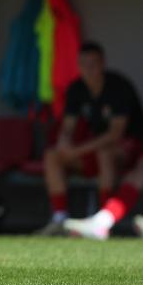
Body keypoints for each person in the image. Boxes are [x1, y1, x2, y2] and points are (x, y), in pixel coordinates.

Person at [37, 42, 143, 235]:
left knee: (106, 153)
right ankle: (60, 218)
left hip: (125, 150)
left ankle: (102, 222)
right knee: (53, 155)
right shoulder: (76, 89)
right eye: (83, 64)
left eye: (93, 64)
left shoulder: (119, 87)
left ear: (103, 64)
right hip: (94, 148)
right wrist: (64, 140)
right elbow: (68, 126)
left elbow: (115, 134)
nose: (88, 69)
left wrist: (76, 150)